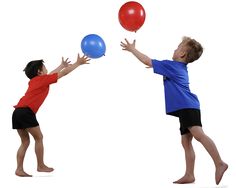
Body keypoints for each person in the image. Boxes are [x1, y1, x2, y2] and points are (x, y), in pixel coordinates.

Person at [120, 37, 228, 185]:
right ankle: (190, 174)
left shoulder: (173, 66)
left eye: (178, 47)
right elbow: (153, 64)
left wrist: (132, 49)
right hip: (186, 107)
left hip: (188, 106)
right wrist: (155, 66)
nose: (175, 49)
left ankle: (219, 162)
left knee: (198, 135)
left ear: (182, 54)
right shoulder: (175, 67)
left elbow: (147, 60)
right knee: (186, 141)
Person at [12, 53, 90, 177]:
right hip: (26, 113)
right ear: (39, 71)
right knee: (39, 138)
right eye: (44, 67)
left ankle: (19, 169)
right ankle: (40, 166)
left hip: (17, 113)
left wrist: (61, 65)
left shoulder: (35, 81)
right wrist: (77, 64)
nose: (46, 69)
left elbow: (50, 75)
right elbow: (63, 74)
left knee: (25, 141)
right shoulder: (42, 80)